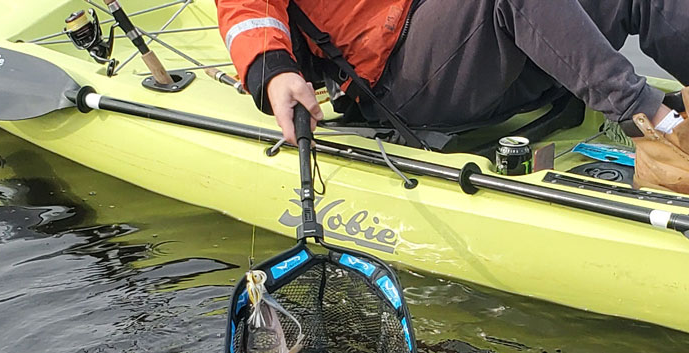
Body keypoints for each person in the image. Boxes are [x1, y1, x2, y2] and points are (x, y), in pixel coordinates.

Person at [216, 0, 689, 193]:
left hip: (490, 50)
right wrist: (272, 73)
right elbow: (247, 12)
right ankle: (658, 128)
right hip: (400, 80)